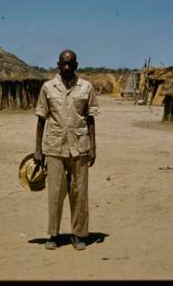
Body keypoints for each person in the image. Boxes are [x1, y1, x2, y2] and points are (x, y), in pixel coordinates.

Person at [34, 49, 99, 250]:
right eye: (64, 63)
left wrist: (93, 147)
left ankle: (79, 234)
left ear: (76, 65)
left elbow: (90, 119)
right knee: (55, 193)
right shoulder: (47, 87)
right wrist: (38, 149)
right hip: (54, 147)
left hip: (80, 147)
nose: (67, 67)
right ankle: (53, 234)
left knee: (79, 193)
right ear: (58, 64)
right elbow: (41, 119)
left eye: (71, 64)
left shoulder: (86, 87)